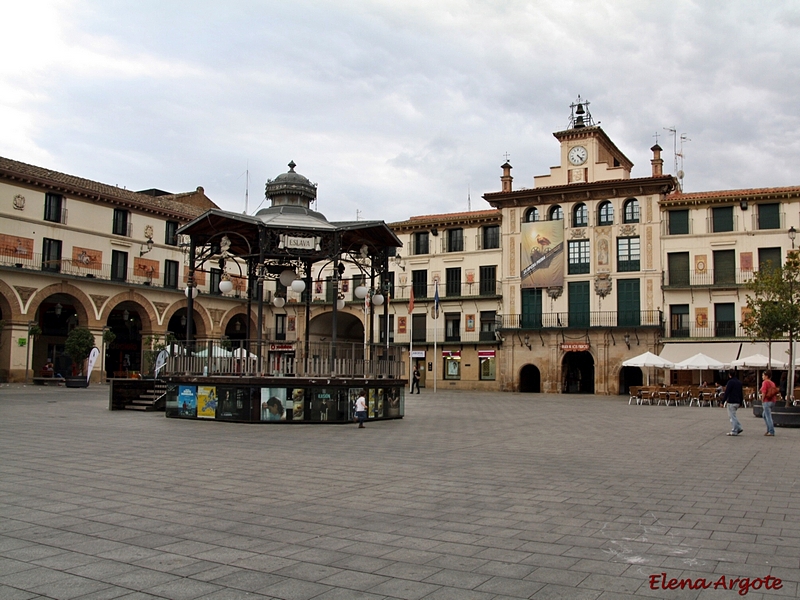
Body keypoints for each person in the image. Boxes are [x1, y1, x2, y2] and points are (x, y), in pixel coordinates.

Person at [723, 372, 744, 436]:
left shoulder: (730, 382)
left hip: (731, 401)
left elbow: (727, 392)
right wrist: (741, 402)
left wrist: (723, 401)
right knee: (733, 415)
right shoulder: (739, 382)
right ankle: (738, 427)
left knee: (732, 416)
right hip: (737, 401)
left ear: (729, 375)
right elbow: (741, 393)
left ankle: (735, 429)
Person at [760, 371, 777, 437]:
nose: (762, 377)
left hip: (767, 401)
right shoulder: (772, 383)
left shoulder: (765, 382)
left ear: (766, 376)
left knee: (768, 416)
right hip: (773, 401)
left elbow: (764, 392)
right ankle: (769, 429)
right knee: (764, 415)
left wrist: (762, 399)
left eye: (763, 375)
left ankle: (771, 431)